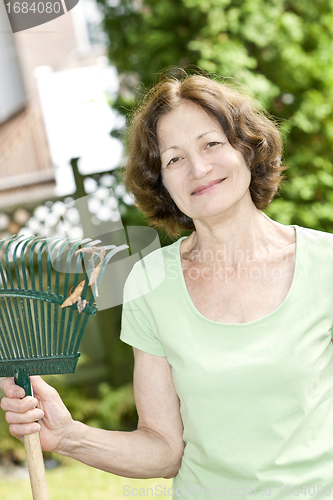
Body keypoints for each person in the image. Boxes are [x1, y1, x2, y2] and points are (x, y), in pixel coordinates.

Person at [2, 72, 333, 499]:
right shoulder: (151, 282)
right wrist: (68, 436)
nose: (198, 169)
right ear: (162, 181)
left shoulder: (324, 264)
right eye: (174, 159)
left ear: (248, 150)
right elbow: (163, 449)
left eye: (211, 144)